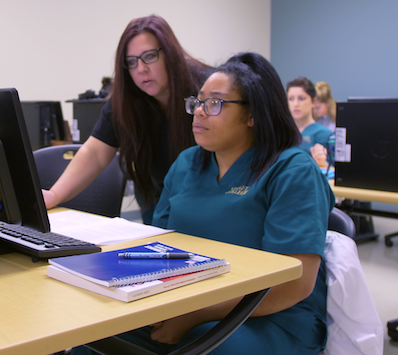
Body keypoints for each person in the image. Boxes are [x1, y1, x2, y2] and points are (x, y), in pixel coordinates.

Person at [72, 53, 334, 355]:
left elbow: (295, 283)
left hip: (274, 316)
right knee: (90, 335)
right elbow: (160, 250)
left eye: (215, 103)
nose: (199, 112)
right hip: (188, 300)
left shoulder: (291, 171)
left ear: (253, 115)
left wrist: (195, 314)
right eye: (197, 102)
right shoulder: (186, 164)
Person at [42, 15, 212, 224]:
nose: (141, 69)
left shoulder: (207, 89)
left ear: (170, 54)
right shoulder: (127, 101)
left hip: (208, 202)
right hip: (157, 202)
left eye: (149, 56)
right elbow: (95, 153)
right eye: (131, 62)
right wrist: (54, 195)